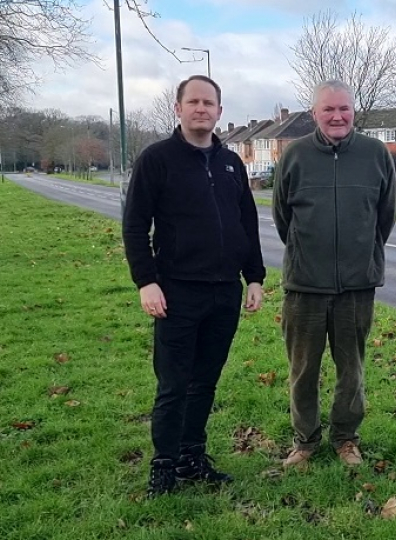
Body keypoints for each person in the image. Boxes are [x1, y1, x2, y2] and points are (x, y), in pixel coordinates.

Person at [122, 75, 266, 497]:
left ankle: (192, 457)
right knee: (173, 384)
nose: (202, 109)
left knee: (205, 382)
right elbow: (134, 225)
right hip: (176, 291)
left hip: (224, 293)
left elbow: (247, 224)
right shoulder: (157, 159)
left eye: (209, 103)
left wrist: (254, 276)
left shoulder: (231, 163)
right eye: (194, 102)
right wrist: (146, 282)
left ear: (220, 112)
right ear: (178, 108)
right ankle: (163, 466)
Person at [273, 80, 396, 469]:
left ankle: (346, 439)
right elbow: (282, 218)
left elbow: (386, 216)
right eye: (328, 110)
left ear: (354, 111)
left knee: (352, 369)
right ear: (314, 114)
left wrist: (362, 253)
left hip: (357, 286)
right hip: (304, 285)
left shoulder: (376, 154)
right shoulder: (293, 156)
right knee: (303, 369)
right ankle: (305, 441)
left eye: (344, 108)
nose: (337, 116)